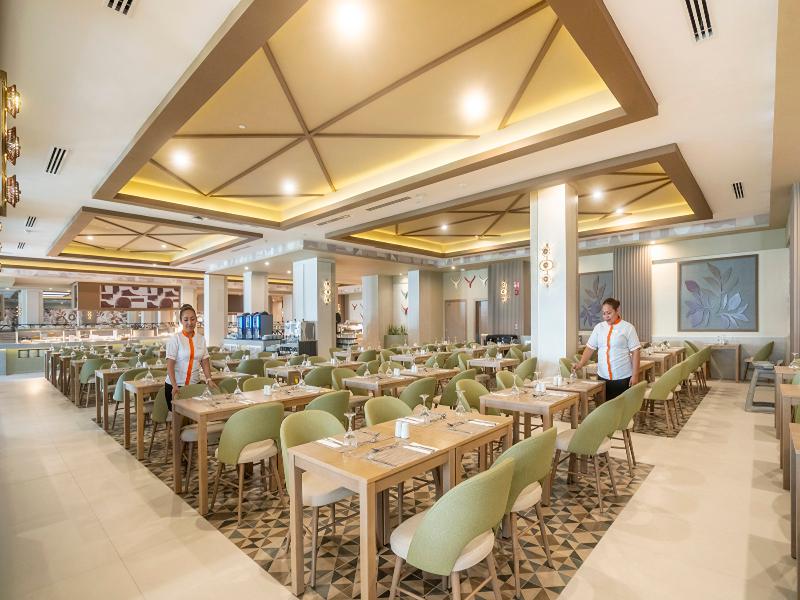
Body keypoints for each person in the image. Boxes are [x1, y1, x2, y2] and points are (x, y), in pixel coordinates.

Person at [573, 297, 641, 400]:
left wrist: (635, 375)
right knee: (605, 406)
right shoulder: (599, 328)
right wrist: (581, 363)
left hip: (622, 377)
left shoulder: (628, 328)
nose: (606, 316)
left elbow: (636, 352)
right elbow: (590, 348)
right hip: (603, 377)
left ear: (617, 310)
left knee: (622, 407)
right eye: (604, 313)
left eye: (609, 313)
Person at [165, 304, 217, 409]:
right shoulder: (175, 339)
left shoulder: (201, 339)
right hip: (176, 386)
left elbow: (205, 361)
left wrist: (209, 379)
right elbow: (170, 365)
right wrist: (174, 385)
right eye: (186, 320)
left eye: (192, 319)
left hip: (194, 385)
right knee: (178, 416)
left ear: (196, 320)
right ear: (181, 321)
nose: (190, 323)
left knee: (195, 413)